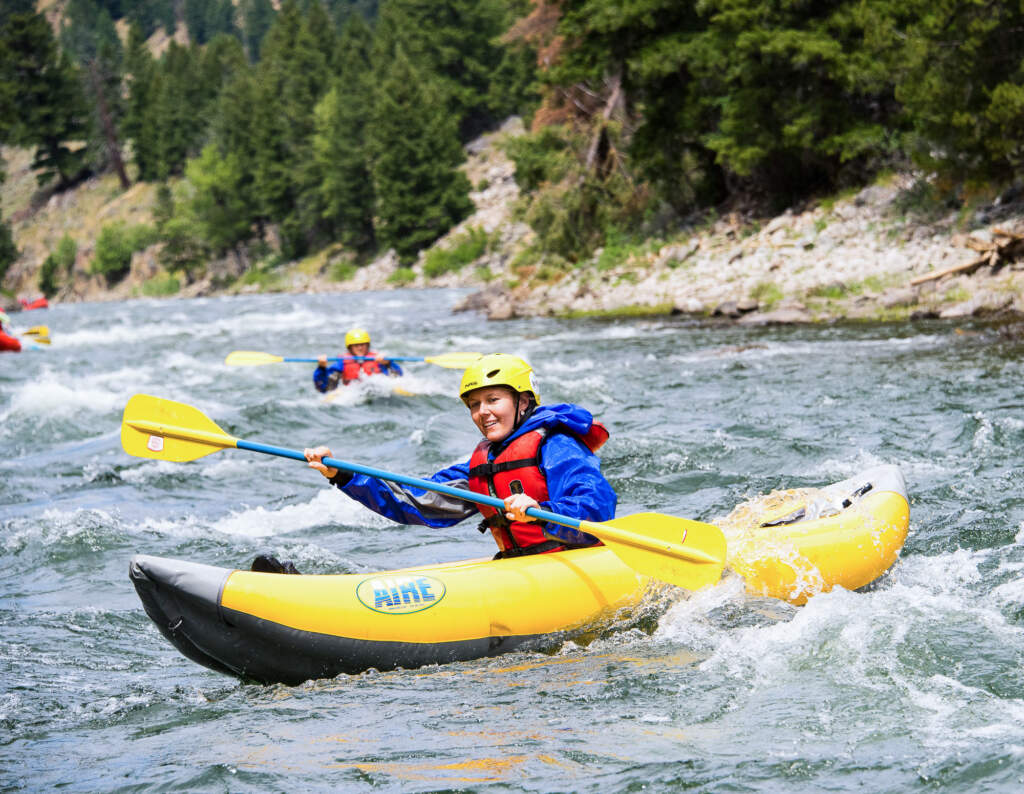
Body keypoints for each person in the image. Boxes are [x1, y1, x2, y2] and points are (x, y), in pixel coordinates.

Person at [304, 353, 616, 558]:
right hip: (519, 567)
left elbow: (597, 508)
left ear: (523, 401)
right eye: (474, 405)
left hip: (575, 561)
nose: (483, 412)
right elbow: (418, 500)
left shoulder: (557, 445)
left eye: (493, 399)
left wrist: (542, 509)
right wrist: (342, 475)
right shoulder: (484, 465)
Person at [313, 328, 403, 393]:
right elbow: (323, 387)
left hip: (377, 390)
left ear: (368, 345)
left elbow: (398, 376)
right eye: (356, 345)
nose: (360, 348)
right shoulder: (342, 362)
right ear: (350, 348)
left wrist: (387, 364)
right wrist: (321, 368)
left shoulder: (378, 359)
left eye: (363, 345)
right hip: (351, 393)